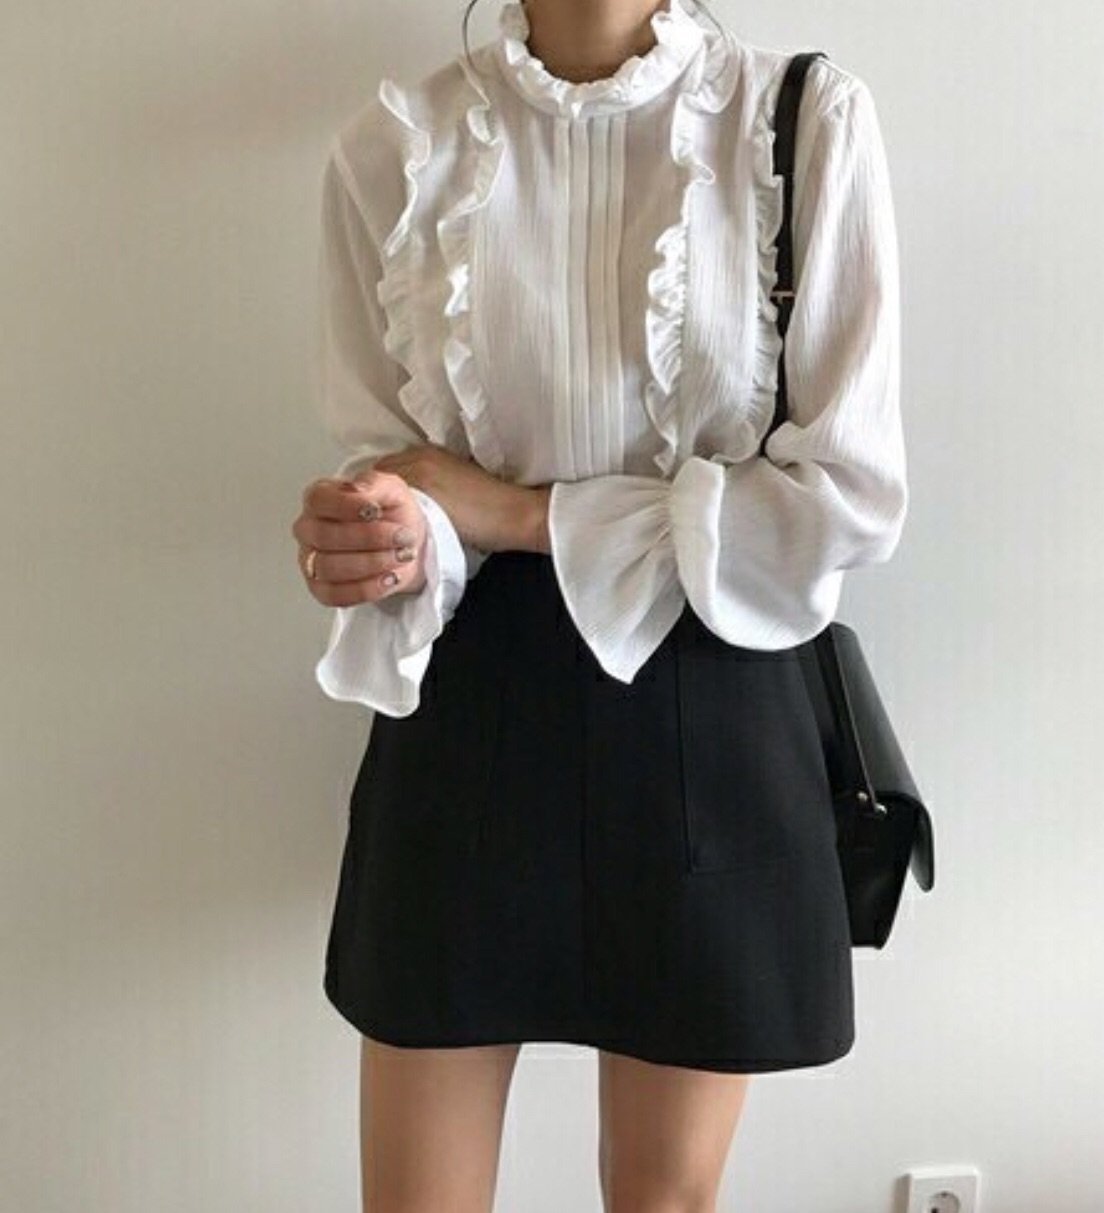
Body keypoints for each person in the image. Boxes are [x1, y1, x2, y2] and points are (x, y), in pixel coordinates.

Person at [290, 0, 907, 1207]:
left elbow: (846, 499)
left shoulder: (801, 121)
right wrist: (378, 541)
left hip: (713, 697)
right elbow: (405, 473)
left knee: (662, 1201)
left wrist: (521, 513)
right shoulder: (396, 149)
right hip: (469, 704)